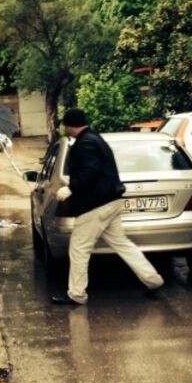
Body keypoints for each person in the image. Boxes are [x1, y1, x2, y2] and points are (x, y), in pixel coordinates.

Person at [52, 108, 164, 305]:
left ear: (70, 125)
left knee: (78, 248)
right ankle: (153, 280)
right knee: (122, 243)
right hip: (111, 201)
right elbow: (95, 170)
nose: (65, 129)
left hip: (95, 204)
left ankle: (77, 294)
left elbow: (90, 172)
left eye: (65, 125)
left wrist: (70, 188)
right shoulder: (95, 138)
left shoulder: (84, 144)